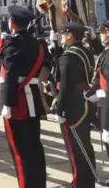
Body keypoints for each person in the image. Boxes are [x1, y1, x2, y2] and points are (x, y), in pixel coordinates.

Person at [0, 6, 47, 188]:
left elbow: (10, 74)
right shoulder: (37, 44)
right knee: (34, 147)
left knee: (19, 152)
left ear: (12, 23)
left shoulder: (12, 43)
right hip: (32, 100)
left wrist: (8, 103)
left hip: (17, 100)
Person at [52, 22, 96, 188]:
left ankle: (79, 184)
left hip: (72, 105)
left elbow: (65, 86)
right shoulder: (85, 50)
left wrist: (60, 109)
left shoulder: (69, 56)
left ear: (70, 34)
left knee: (75, 149)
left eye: (63, 33)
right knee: (85, 145)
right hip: (85, 102)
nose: (61, 36)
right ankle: (87, 182)